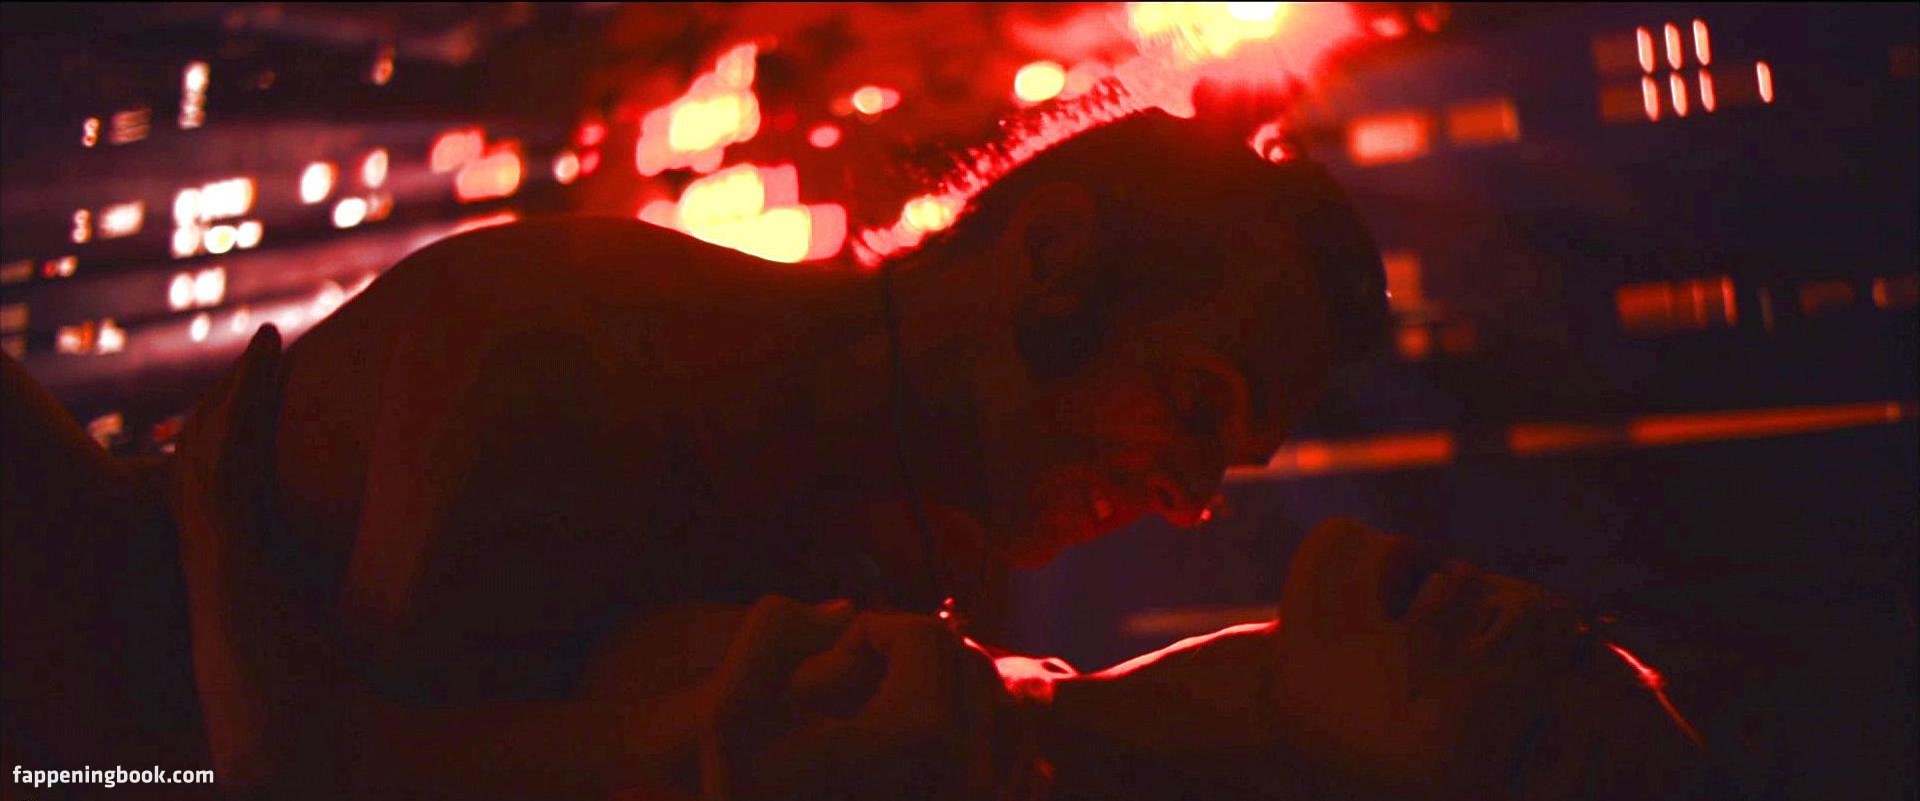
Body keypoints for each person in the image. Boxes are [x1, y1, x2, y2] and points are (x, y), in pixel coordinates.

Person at [4, 106, 1709, 800]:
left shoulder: (912, 586)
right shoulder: (571, 377)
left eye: (1225, 465)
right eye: (1197, 406)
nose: (1192, 500)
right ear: (1051, 266)